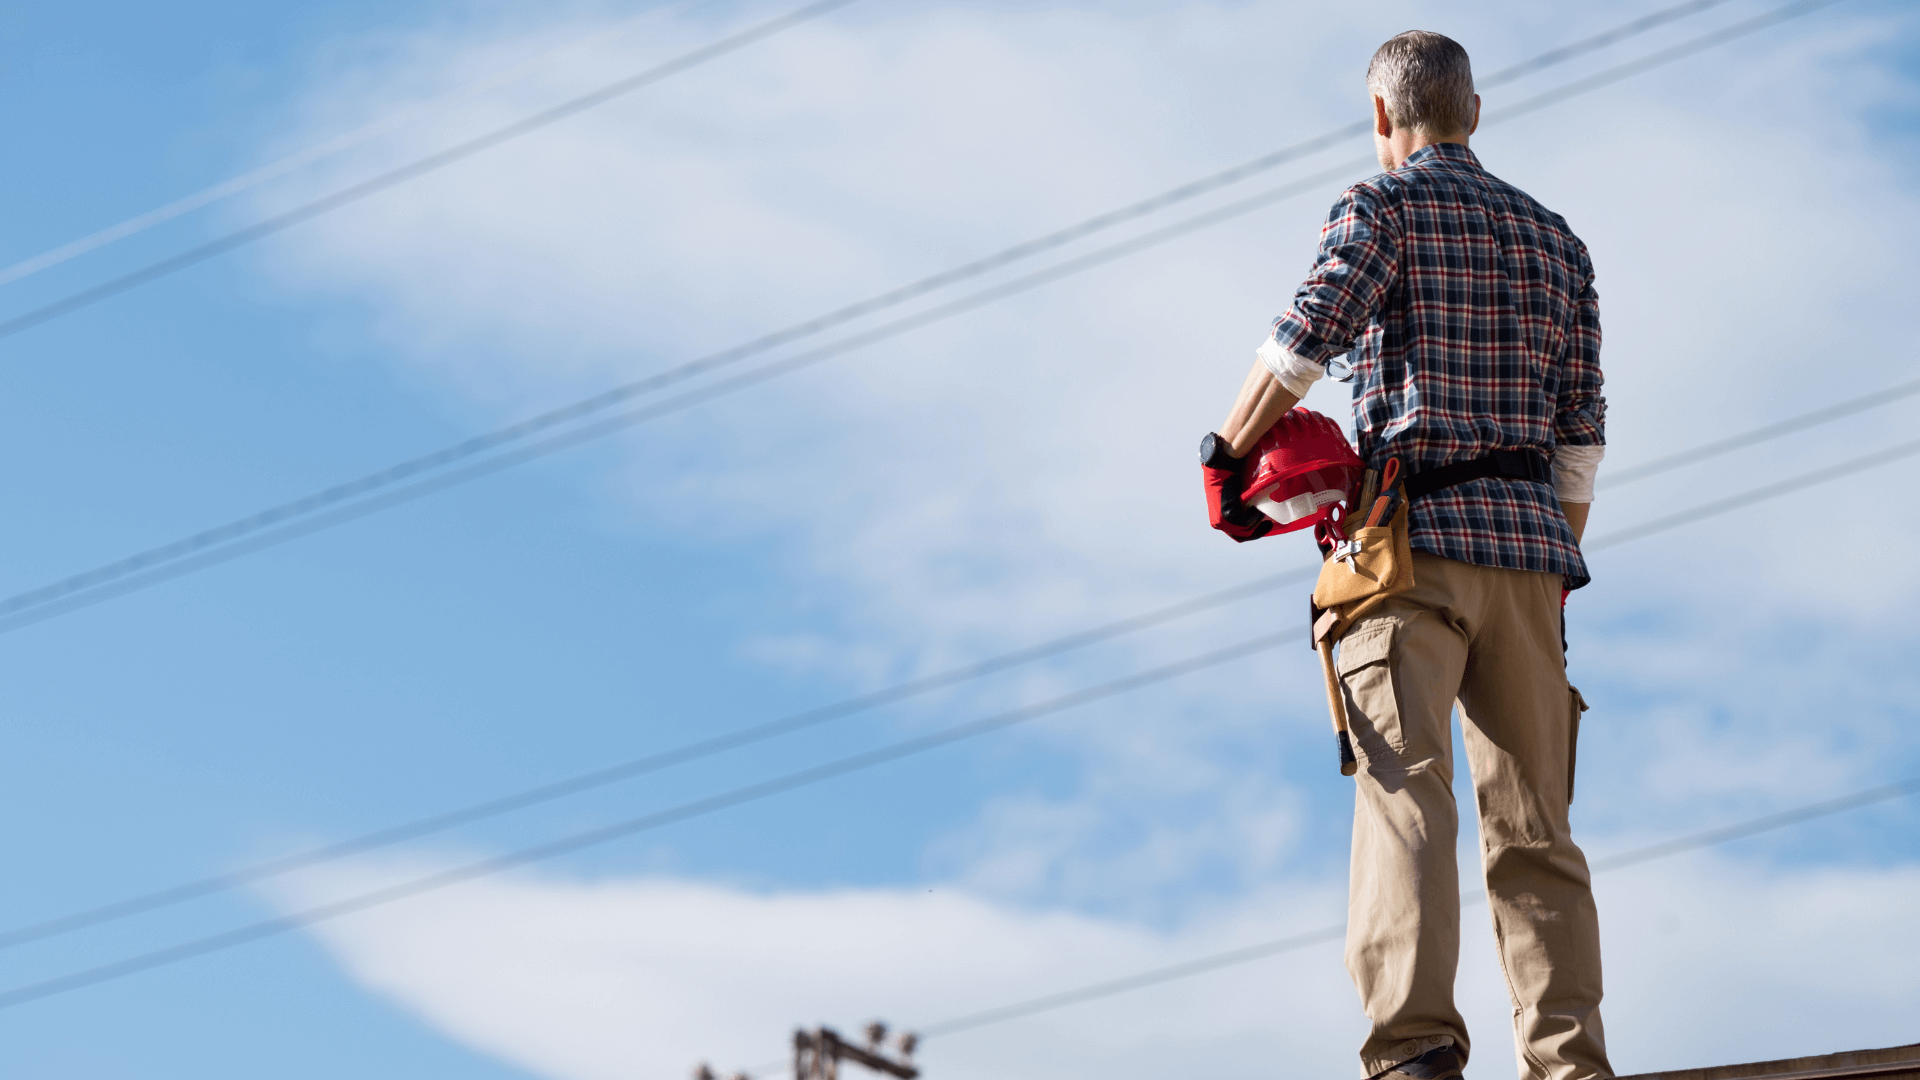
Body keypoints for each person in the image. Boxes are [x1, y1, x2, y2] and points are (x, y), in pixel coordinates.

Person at [1205, 30, 1611, 1080]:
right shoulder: (1558, 241)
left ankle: (1418, 1049)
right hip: (1529, 558)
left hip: (1409, 553)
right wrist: (1551, 575)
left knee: (1406, 788)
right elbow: (1581, 437)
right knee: (1537, 829)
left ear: (1383, 120)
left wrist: (1229, 453)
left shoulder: (1379, 206)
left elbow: (1306, 337)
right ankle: (1568, 1060)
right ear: (1475, 113)